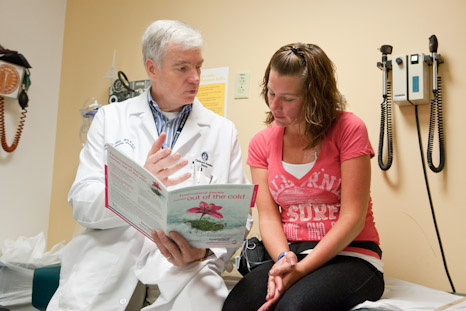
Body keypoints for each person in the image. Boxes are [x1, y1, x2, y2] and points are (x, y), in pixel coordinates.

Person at [48, 20, 252, 311]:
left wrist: (204, 251)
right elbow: (82, 202)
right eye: (182, 68)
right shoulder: (110, 118)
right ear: (152, 68)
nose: (195, 78)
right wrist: (139, 184)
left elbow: (238, 217)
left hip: (186, 271)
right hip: (110, 261)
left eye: (199, 66)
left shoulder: (222, 131)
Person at [223, 43, 384, 311]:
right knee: (236, 306)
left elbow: (352, 218)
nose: (275, 105)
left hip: (351, 254)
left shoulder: (349, 129)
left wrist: (301, 270)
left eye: (288, 98)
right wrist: (284, 260)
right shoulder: (262, 143)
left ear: (314, 96)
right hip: (291, 253)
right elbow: (269, 216)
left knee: (293, 308)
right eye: (271, 93)